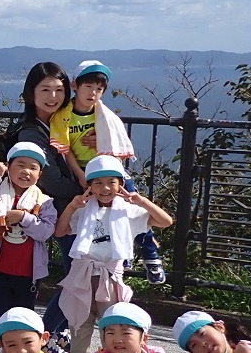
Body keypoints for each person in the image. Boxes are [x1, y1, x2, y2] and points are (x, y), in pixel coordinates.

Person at [54, 155, 174, 353]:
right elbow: (60, 231)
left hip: (110, 274)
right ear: (89, 186)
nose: (105, 188)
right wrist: (71, 206)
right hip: (83, 273)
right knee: (80, 323)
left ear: (120, 184)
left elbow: (166, 221)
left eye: (111, 182)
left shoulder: (129, 211)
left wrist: (141, 201)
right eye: (98, 183)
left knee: (113, 325)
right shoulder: (84, 210)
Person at [50, 60, 167, 285]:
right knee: (94, 214)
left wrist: (101, 141)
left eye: (99, 89)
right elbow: (66, 151)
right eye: (89, 87)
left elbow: (113, 140)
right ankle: (117, 252)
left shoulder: (105, 116)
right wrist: (80, 174)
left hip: (108, 168)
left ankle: (149, 254)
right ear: (75, 86)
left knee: (132, 204)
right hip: (84, 170)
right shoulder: (63, 115)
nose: (93, 93)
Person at [0, 63, 83, 353]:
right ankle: (42, 336)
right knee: (78, 278)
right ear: (30, 93)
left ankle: (49, 334)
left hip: (68, 211)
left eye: (59, 90)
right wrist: (89, 186)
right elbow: (51, 181)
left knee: (78, 276)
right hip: (60, 212)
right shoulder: (31, 133)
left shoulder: (61, 124)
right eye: (44, 89)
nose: (53, 96)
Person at [0, 142, 56, 353]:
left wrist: (23, 217)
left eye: (33, 167)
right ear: (8, 167)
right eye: (20, 165)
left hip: (27, 274)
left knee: (23, 321)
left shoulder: (44, 201)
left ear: (40, 174)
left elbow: (45, 231)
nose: (25, 172)